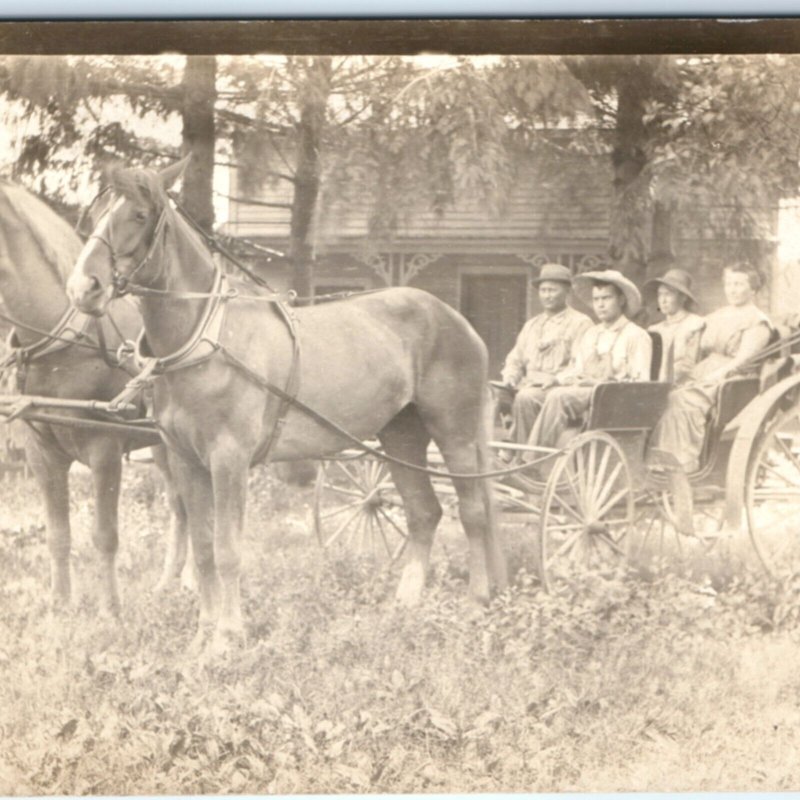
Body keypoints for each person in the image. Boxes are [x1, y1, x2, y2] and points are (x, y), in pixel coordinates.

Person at [649, 262, 773, 475]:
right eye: (729, 284)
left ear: (753, 288)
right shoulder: (717, 315)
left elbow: (742, 360)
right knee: (662, 393)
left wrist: (715, 375)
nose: (732, 289)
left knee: (680, 400)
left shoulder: (758, 321)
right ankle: (656, 460)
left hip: (732, 377)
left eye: (739, 284)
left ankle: (683, 462)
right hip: (705, 369)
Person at [527, 269, 653, 450]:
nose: (600, 305)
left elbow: (640, 384)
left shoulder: (636, 336)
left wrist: (596, 382)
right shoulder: (592, 333)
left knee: (558, 396)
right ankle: (520, 454)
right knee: (529, 396)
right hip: (585, 393)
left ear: (621, 300)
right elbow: (577, 369)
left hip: (613, 398)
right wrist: (556, 379)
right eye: (596, 300)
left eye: (606, 298)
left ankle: (531, 460)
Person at [499, 263, 592, 446]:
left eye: (552, 290)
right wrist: (510, 375)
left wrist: (557, 379)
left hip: (558, 388)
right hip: (529, 385)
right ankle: (503, 449)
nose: (547, 295)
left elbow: (580, 365)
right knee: (496, 394)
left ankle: (522, 455)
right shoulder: (532, 325)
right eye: (543, 290)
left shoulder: (580, 323)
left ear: (567, 292)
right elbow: (515, 358)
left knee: (526, 397)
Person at [644, 268, 705, 383]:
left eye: (668, 294)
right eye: (660, 294)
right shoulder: (655, 329)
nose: (663, 300)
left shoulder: (695, 324)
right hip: (653, 384)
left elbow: (689, 364)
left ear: (683, 297)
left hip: (683, 384)